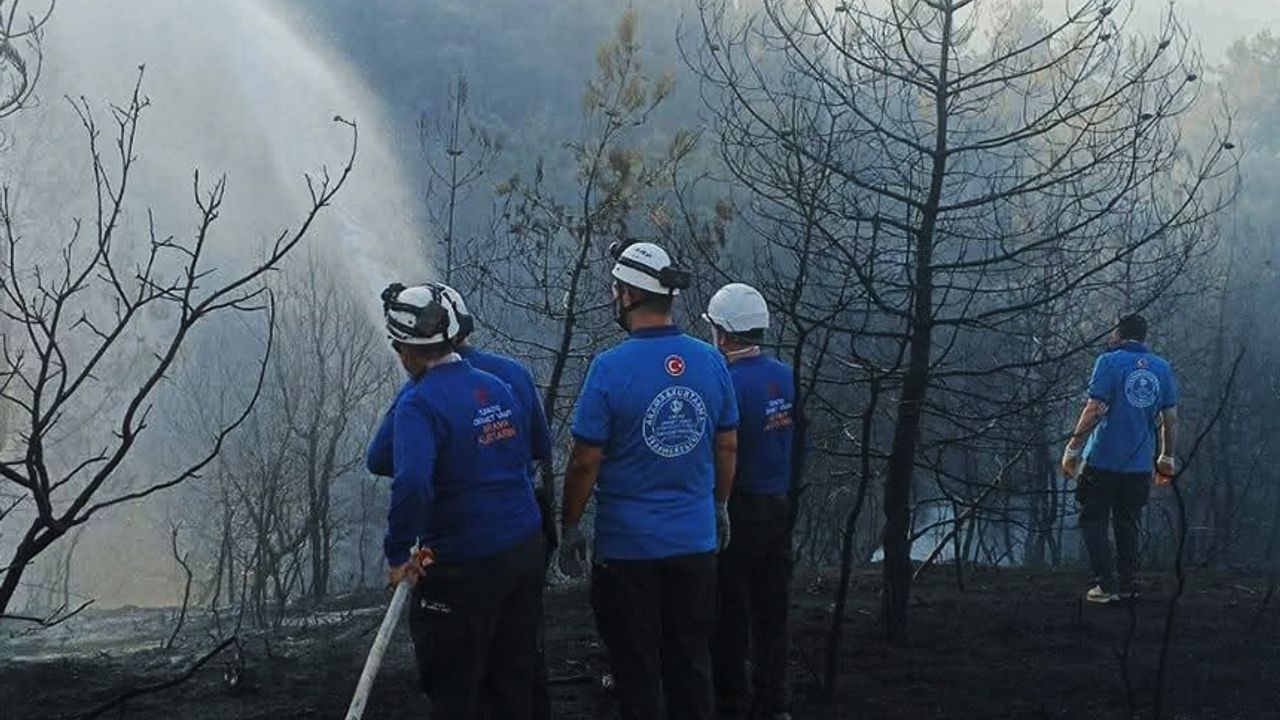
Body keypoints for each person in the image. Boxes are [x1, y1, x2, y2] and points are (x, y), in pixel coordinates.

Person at [559, 240, 739, 720]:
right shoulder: (710, 361)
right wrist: (718, 506)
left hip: (627, 553)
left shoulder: (609, 369)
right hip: (695, 545)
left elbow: (584, 460)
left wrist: (570, 526)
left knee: (637, 671)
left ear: (629, 296)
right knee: (691, 662)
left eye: (617, 289)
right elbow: (726, 445)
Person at [366, 282, 546, 719]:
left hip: (463, 566)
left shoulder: (418, 402)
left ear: (406, 348)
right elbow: (523, 457)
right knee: (513, 679)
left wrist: (397, 555)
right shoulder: (497, 384)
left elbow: (411, 482)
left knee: (453, 687)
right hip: (522, 551)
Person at [704, 283, 795, 720]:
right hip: (778, 506)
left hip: (738, 509)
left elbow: (719, 449)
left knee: (730, 613)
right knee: (771, 612)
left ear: (723, 334)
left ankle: (731, 704)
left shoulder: (725, 383)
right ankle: (773, 703)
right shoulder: (785, 376)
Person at [1061, 313, 1178, 604]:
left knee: (1093, 520)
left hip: (1103, 460)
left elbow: (1095, 409)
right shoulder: (1162, 368)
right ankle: (1128, 584)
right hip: (1139, 464)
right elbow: (1170, 417)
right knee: (1128, 522)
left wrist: (1073, 448)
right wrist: (1166, 457)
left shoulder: (1109, 362)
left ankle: (1105, 584)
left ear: (1120, 334)